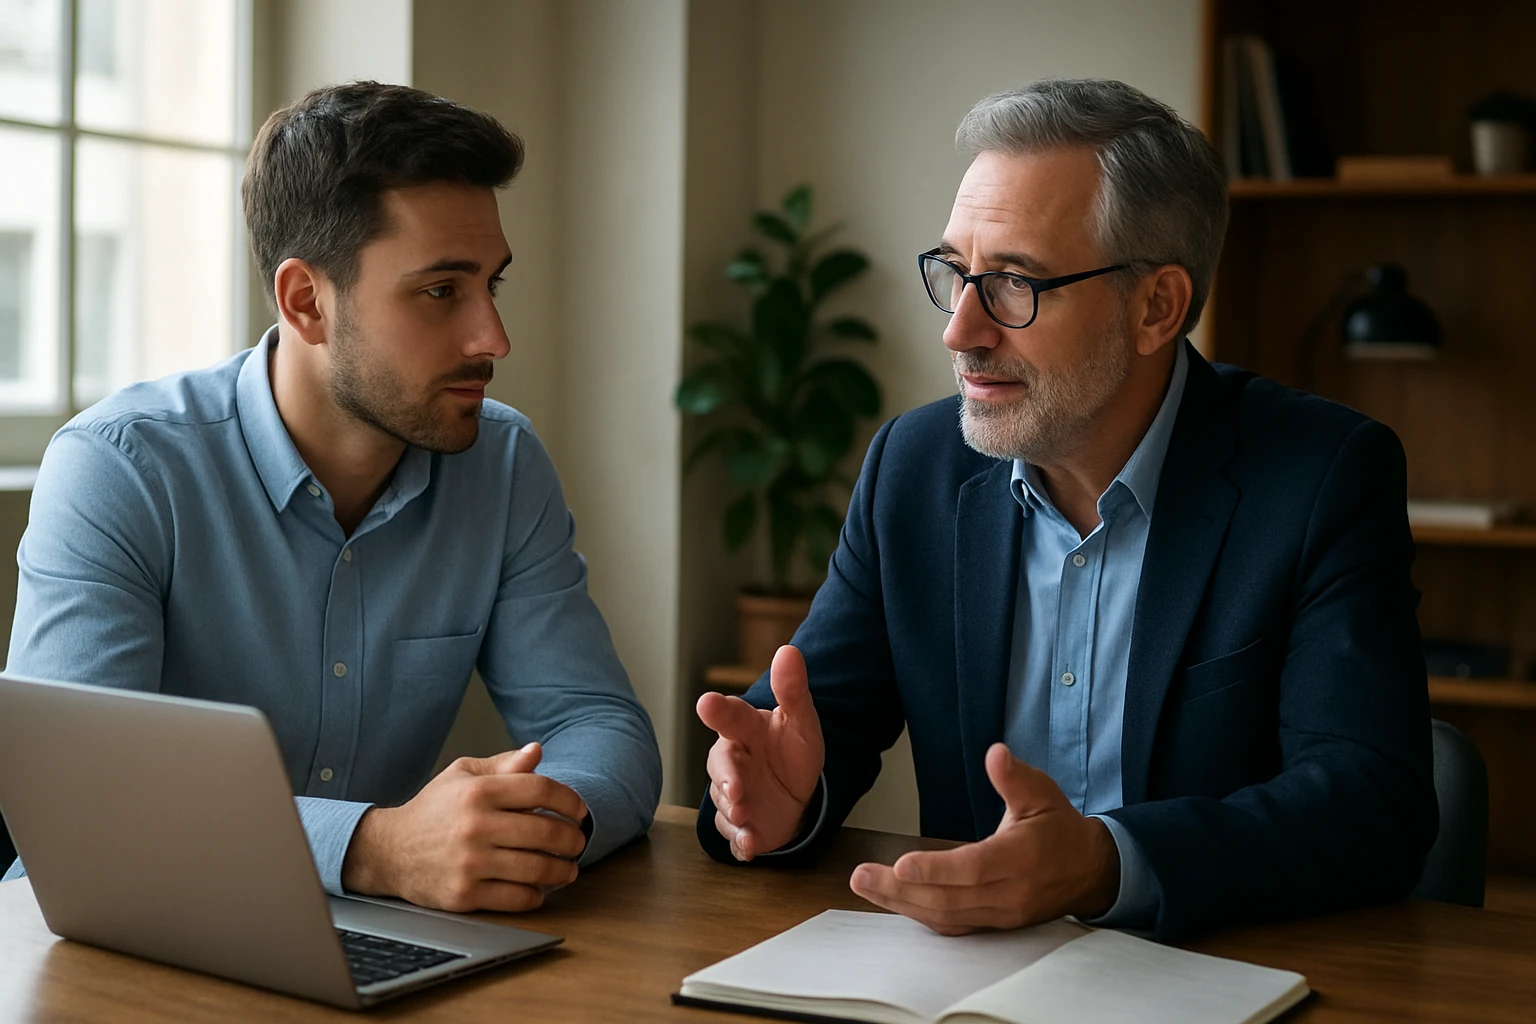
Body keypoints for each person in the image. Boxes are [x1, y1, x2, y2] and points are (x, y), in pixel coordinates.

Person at [695, 78, 1436, 941]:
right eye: (956, 273)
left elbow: (1370, 804)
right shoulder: (915, 467)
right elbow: (811, 727)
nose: (961, 329)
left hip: (1217, 971)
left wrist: (1104, 863)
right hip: (971, 978)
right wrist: (781, 801)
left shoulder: (1318, 478)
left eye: (1014, 283)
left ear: (1157, 306)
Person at [4, 82, 662, 913]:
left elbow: (604, 729)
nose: (493, 338)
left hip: (362, 940)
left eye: (493, 284)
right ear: (306, 302)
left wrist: (526, 830)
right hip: (108, 942)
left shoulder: (502, 464)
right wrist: (374, 848)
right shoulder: (119, 470)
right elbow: (78, 807)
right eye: (440, 291)